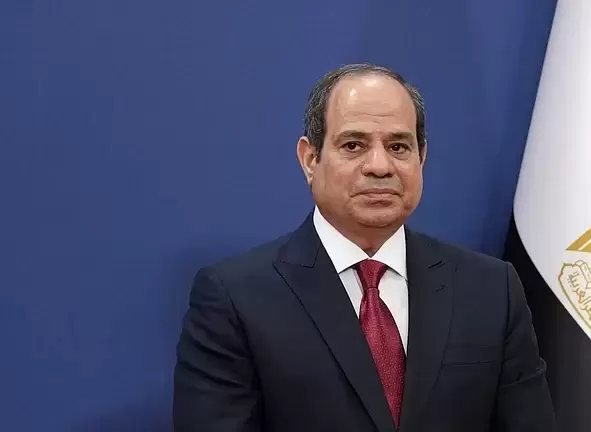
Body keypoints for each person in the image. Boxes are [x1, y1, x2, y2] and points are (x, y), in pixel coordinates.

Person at [172, 63, 556, 432]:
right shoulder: (235, 298)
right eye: (353, 145)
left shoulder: (491, 290)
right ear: (310, 159)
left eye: (399, 146)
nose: (379, 166)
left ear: (422, 158)